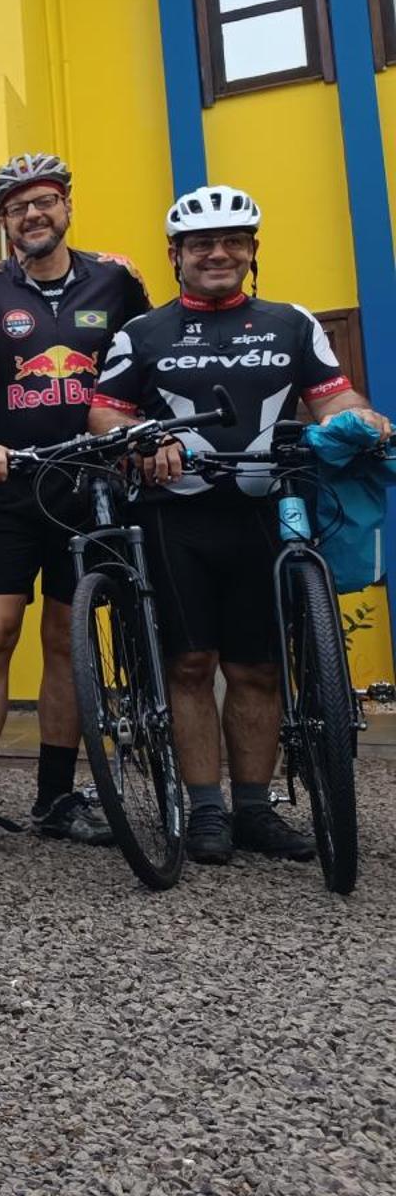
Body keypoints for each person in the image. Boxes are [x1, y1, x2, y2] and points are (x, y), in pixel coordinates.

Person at [90, 185, 390, 865]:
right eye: (202, 245)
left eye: (233, 242)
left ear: (253, 251)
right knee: (190, 663)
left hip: (266, 512)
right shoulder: (142, 333)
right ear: (176, 256)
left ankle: (254, 809)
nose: (218, 253)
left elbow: (332, 396)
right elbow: (104, 413)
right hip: (175, 515)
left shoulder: (291, 322)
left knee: (256, 668)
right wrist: (145, 437)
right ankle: (205, 812)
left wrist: (360, 418)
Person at [0, 153, 151, 854]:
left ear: (66, 206)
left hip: (91, 483)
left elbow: (148, 364)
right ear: (4, 221)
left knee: (67, 638)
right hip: (11, 481)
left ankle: (57, 796)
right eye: (18, 207)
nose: (34, 215)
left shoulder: (118, 277)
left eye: (45, 202)